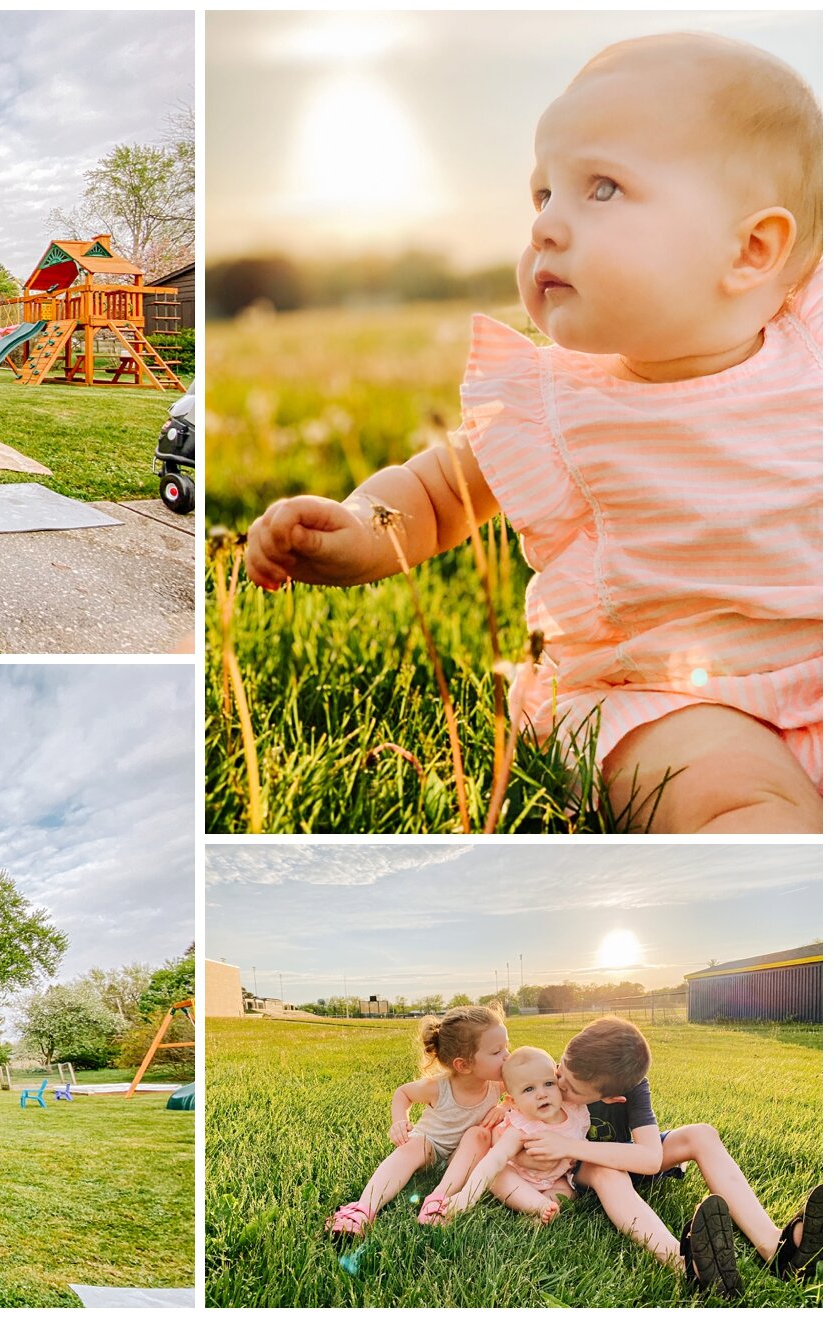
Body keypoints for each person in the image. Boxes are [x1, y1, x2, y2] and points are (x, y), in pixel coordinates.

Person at [243, 32, 823, 833]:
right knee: (745, 804)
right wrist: (361, 527)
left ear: (754, 249)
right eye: (543, 195)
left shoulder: (812, 344)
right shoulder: (555, 404)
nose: (547, 227)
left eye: (605, 189)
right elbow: (439, 492)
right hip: (659, 700)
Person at [539, 1016, 822, 1296]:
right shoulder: (547, 1077)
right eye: (561, 1065)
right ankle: (687, 1265)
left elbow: (650, 1158)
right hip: (583, 1170)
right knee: (606, 1170)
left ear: (614, 1098)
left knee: (701, 1134)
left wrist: (570, 1146)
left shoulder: (630, 1086)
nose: (558, 1081)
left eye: (571, 1089)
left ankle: (777, 1250)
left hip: (614, 1154)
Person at [324, 1003, 509, 1236]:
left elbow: (533, 1084)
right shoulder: (439, 1087)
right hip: (430, 1146)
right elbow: (403, 1093)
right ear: (464, 1065)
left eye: (506, 1047)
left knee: (478, 1134)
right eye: (497, 1051)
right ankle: (363, 1209)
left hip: (463, 1157)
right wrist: (399, 1121)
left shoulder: (499, 1082)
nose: (507, 1056)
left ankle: (441, 1197)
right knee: (414, 1146)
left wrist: (506, 1104)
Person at [434, 1047, 588, 1224]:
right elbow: (495, 1158)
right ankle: (538, 1205)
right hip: (519, 1177)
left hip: (554, 1179)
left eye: (549, 1083)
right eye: (529, 1089)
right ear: (514, 1101)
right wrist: (468, 1195)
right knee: (498, 1176)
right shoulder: (521, 1126)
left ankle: (546, 1210)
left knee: (567, 1191)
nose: (542, 1094)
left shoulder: (575, 1112)